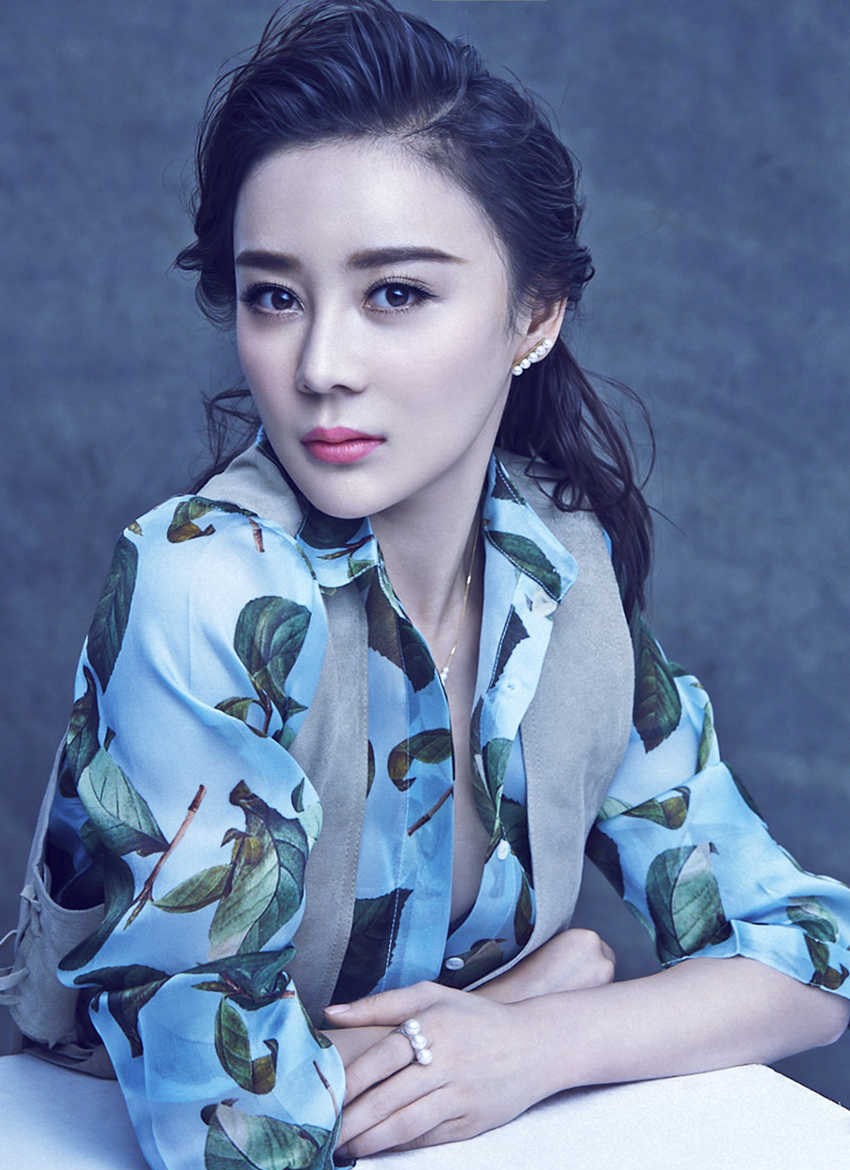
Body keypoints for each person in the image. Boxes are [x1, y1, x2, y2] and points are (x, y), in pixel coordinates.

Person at [31, 1, 849, 1167]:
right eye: (274, 296)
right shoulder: (207, 588)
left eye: (396, 294)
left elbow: (813, 952)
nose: (321, 365)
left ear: (533, 316)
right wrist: (533, 986)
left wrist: (536, 1038)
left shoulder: (557, 572)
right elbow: (230, 1132)